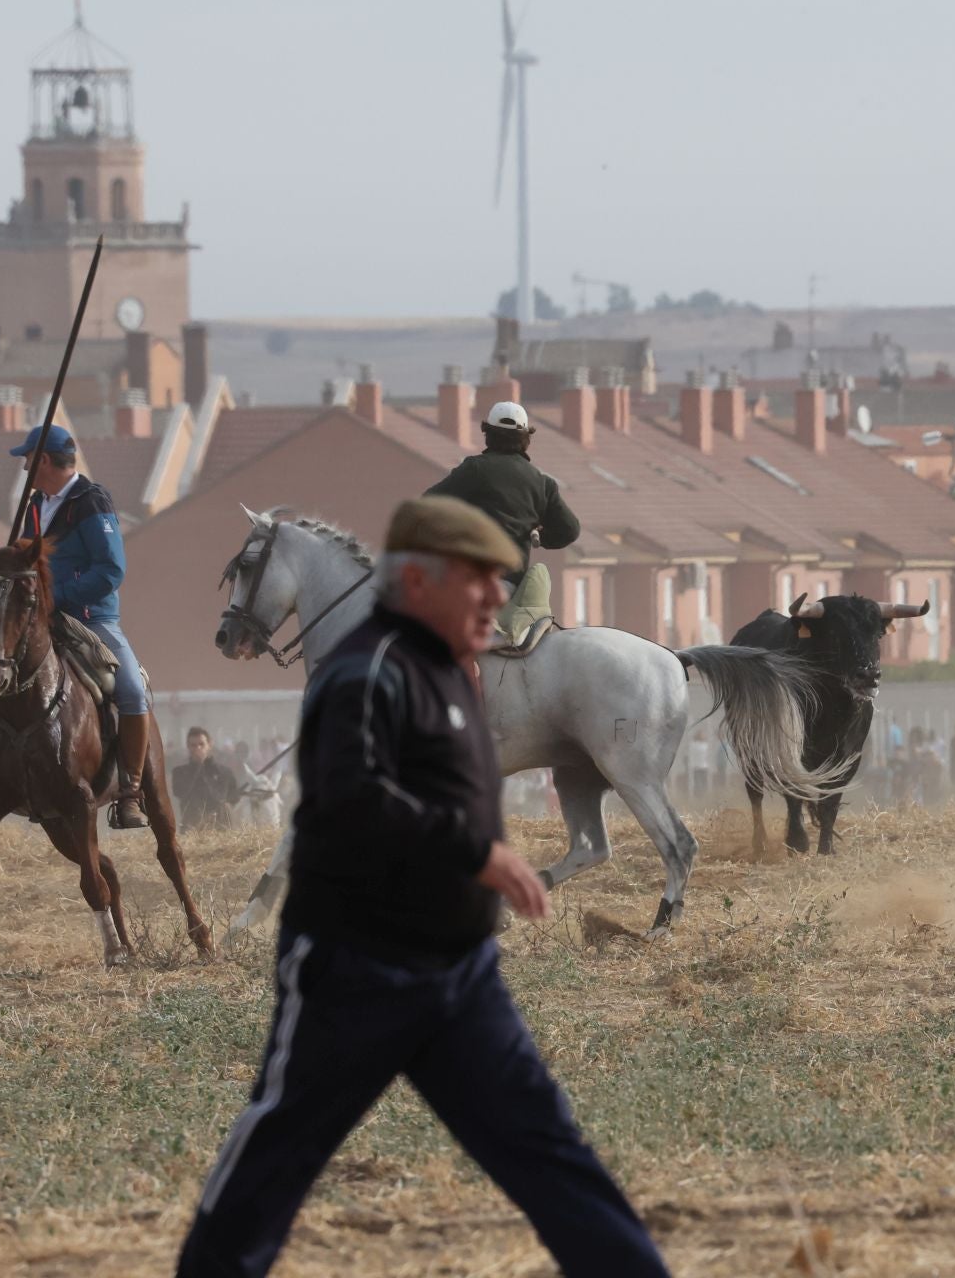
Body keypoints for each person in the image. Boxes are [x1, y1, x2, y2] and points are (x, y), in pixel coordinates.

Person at [176, 495, 669, 1278]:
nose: (496, 598)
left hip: (460, 978)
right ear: (419, 583)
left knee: (551, 1152)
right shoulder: (361, 673)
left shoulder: (449, 673)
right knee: (272, 1164)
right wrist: (477, 854)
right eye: (476, 582)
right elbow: (351, 795)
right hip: (354, 971)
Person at [0, 423, 156, 829]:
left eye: (28, 461)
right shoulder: (35, 504)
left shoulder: (92, 503)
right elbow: (25, 564)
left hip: (91, 618)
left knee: (132, 691)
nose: (24, 469)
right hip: (36, 619)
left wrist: (57, 597)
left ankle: (130, 792)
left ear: (46, 461)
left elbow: (110, 570)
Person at [424, 401, 581, 639]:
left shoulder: (475, 469)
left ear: (488, 434)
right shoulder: (542, 482)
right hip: (513, 588)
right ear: (526, 438)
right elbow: (570, 530)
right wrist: (540, 537)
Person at [172, 727, 247, 831]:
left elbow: (230, 798)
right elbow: (180, 793)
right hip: (191, 829)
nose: (198, 748)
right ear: (188, 747)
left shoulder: (224, 772)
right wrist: (197, 767)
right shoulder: (179, 772)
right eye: (193, 745)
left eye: (201, 744)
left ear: (209, 745)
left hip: (221, 828)